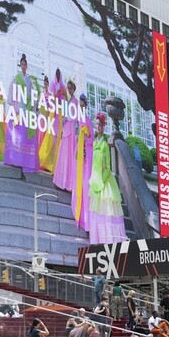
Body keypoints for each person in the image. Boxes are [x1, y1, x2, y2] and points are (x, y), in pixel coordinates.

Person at [87, 113, 126, 243]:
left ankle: (109, 241)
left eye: (100, 125)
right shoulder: (94, 142)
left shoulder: (104, 144)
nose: (97, 127)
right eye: (96, 125)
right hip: (95, 182)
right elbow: (93, 164)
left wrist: (102, 181)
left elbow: (108, 167)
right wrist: (94, 180)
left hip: (104, 183)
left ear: (103, 127)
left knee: (107, 213)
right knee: (97, 214)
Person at [4, 53, 40, 172]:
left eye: (25, 65)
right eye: (22, 64)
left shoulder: (29, 81)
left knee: (25, 136)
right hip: (18, 108)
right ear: (20, 66)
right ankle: (15, 159)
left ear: (27, 66)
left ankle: (25, 160)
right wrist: (15, 106)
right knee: (17, 134)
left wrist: (34, 105)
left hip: (27, 109)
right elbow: (12, 92)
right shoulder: (17, 79)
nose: (24, 66)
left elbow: (32, 95)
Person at [72, 94, 93, 228]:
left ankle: (86, 217)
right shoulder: (78, 120)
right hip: (79, 155)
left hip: (86, 157)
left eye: (82, 105)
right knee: (78, 183)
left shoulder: (88, 121)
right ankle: (78, 213)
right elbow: (76, 137)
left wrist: (85, 144)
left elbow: (91, 140)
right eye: (79, 106)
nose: (81, 107)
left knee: (85, 185)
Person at [53, 79, 78, 190]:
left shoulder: (75, 101)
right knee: (64, 155)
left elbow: (75, 116)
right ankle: (61, 181)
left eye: (70, 88)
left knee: (68, 155)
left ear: (74, 89)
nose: (69, 90)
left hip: (71, 129)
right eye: (68, 88)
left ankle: (68, 183)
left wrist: (66, 118)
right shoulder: (70, 100)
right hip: (66, 128)